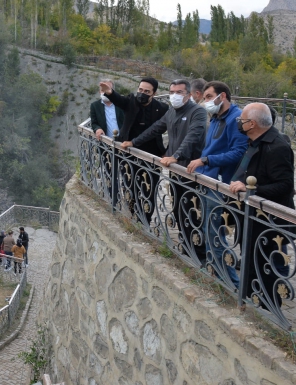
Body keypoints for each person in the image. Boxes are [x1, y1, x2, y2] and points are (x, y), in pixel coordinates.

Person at [122, 79, 207, 258]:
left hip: (191, 169)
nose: (175, 95)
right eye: (172, 92)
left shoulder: (197, 111)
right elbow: (155, 129)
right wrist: (134, 142)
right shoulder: (171, 112)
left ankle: (199, 253)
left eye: (179, 92)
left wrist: (176, 155)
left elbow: (193, 136)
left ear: (189, 95)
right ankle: (187, 246)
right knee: (178, 208)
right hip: (176, 169)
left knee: (191, 209)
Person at [229, 103, 295, 309]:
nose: (239, 123)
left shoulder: (277, 147)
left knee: (266, 270)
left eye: (242, 120)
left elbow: (285, 185)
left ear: (252, 123)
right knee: (250, 265)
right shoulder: (255, 141)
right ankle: (249, 301)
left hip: (267, 222)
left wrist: (252, 189)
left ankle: (267, 311)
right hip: (251, 217)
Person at [186, 81, 248, 288]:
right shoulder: (216, 118)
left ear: (222, 96)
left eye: (209, 96)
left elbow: (239, 152)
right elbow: (209, 147)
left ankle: (231, 282)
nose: (206, 101)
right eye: (204, 97)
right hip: (208, 179)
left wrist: (206, 161)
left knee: (215, 232)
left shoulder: (236, 119)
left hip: (221, 183)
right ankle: (219, 272)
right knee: (208, 230)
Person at [100, 77, 168, 223]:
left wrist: (167, 151)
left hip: (151, 153)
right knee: (130, 185)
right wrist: (110, 93)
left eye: (146, 91)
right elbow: (120, 100)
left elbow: (169, 129)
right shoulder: (132, 100)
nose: (142, 93)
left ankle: (145, 221)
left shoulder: (162, 108)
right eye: (140, 90)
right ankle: (132, 216)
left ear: (154, 93)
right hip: (128, 151)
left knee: (149, 187)